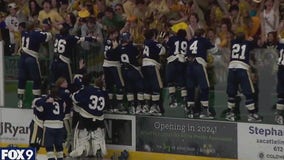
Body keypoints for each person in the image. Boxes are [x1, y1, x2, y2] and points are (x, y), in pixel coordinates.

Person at [225, 32, 262, 122]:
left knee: (231, 93)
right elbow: (258, 44)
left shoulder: (233, 42)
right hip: (242, 68)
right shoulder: (248, 43)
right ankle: (251, 114)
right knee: (248, 92)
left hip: (231, 68)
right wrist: (252, 40)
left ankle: (230, 113)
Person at [70, 73, 107, 158]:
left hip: (86, 117)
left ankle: (82, 149)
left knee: (82, 135)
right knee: (98, 136)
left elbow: (75, 98)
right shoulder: (103, 92)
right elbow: (106, 105)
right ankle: (98, 148)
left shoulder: (87, 90)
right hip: (99, 118)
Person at [17, 20, 52, 108]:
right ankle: (36, 100)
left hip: (23, 58)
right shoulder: (36, 33)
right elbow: (49, 36)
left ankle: (20, 100)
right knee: (37, 79)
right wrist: (43, 29)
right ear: (34, 26)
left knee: (22, 79)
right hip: (31, 58)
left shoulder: (24, 33)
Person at [186, 28, 218, 119]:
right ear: (203, 34)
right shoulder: (204, 40)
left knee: (190, 88)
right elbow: (214, 50)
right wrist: (212, 43)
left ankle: (190, 110)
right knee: (205, 87)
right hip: (199, 65)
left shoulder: (191, 41)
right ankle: (204, 110)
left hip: (189, 66)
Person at [33, 87, 66, 160]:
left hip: (49, 126)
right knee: (59, 147)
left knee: (49, 148)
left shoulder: (46, 101)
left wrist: (45, 100)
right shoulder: (62, 101)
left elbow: (36, 104)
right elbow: (63, 112)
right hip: (60, 126)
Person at [117, 32, 144, 114]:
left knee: (129, 89)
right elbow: (137, 55)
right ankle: (139, 106)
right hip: (133, 69)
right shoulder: (131, 47)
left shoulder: (118, 48)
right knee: (140, 87)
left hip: (124, 71)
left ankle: (131, 106)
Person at [142, 29, 166, 115]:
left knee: (148, 86)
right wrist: (161, 43)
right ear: (153, 35)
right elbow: (162, 51)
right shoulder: (153, 43)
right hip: (152, 65)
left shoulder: (145, 42)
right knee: (157, 86)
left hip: (144, 65)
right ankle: (154, 106)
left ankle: (146, 105)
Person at [102, 29, 124, 113]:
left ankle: (111, 104)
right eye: (115, 33)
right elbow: (108, 54)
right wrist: (114, 48)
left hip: (107, 65)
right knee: (118, 85)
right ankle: (118, 104)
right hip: (113, 65)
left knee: (110, 86)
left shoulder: (110, 41)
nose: (116, 34)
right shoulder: (110, 42)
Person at [166, 29, 188, 108]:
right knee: (183, 82)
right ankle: (184, 100)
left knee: (170, 81)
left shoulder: (172, 39)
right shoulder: (186, 41)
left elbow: (168, 45)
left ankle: (172, 98)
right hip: (182, 62)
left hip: (172, 61)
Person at [275, 38, 284, 124]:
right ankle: (279, 115)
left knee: (281, 93)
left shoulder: (281, 42)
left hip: (280, 69)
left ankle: (279, 115)